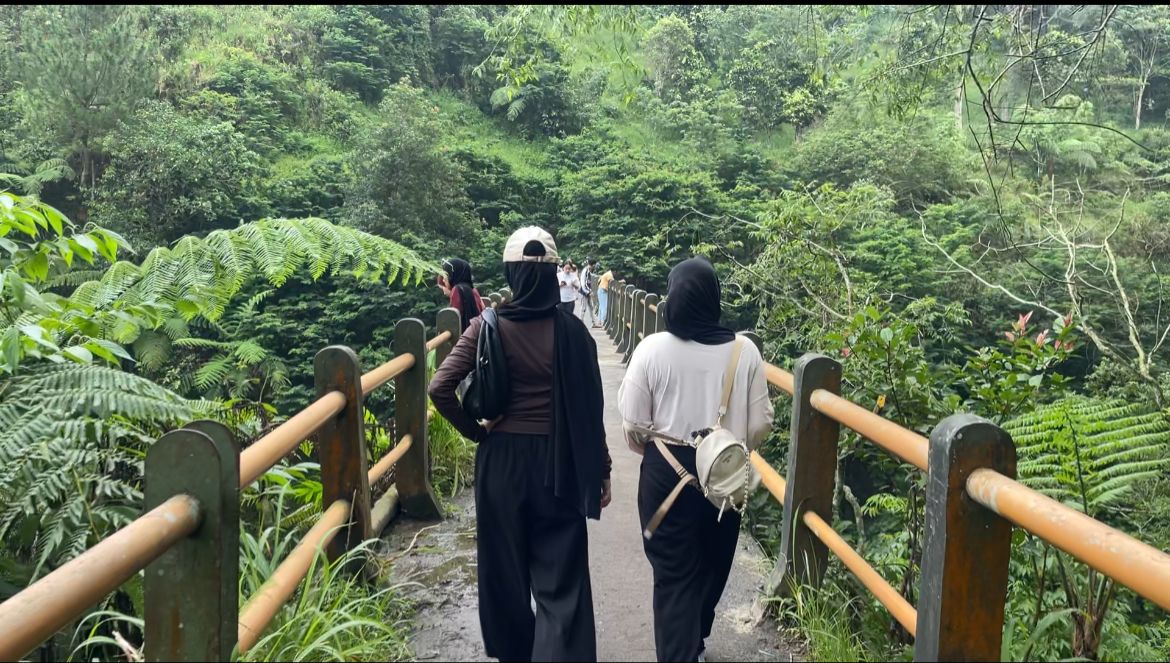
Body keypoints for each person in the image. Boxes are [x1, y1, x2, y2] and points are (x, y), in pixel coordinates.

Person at [429, 227, 612, 663]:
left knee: (506, 575)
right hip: (560, 462)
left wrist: (478, 433)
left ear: (511, 273)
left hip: (502, 463)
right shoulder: (574, 334)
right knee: (562, 580)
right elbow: (590, 409)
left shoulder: (485, 327)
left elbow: (440, 388)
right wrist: (601, 470)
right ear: (552, 274)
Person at [617, 257, 773, 663]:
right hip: (724, 474)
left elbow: (633, 421)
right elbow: (759, 426)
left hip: (666, 472)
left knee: (673, 574)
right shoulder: (746, 351)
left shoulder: (652, 349)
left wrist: (650, 449)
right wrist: (727, 438)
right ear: (713, 298)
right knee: (712, 562)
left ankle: (682, 649)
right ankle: (693, 641)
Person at [439, 258, 485, 332]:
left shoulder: (457, 289)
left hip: (466, 336)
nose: (443, 280)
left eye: (445, 276)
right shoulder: (471, 289)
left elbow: (454, 319)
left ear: (452, 275)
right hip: (477, 332)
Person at [577, 258, 596, 328]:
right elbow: (584, 283)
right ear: (593, 264)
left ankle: (594, 323)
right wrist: (589, 292)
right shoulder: (586, 271)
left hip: (586, 291)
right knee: (583, 308)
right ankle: (580, 322)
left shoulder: (588, 270)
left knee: (591, 307)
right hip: (584, 292)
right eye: (595, 265)